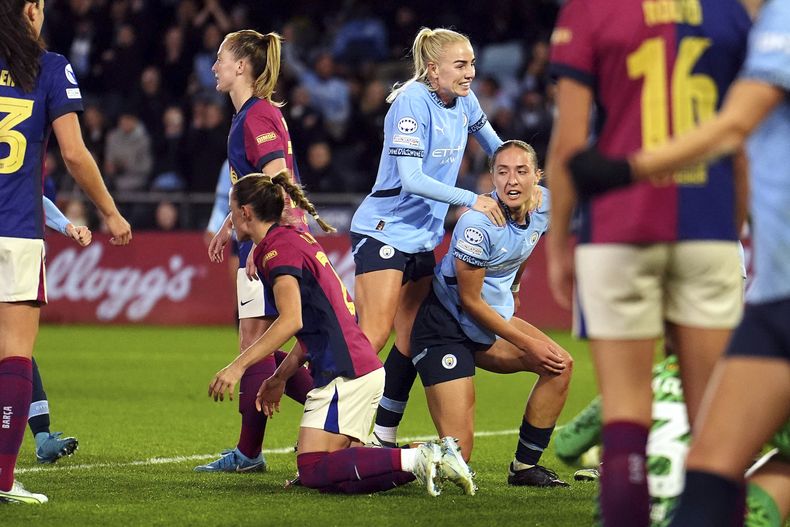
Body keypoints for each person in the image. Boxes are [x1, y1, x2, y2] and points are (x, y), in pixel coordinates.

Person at [565, 1, 790, 524]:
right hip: (775, 298)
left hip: (772, 294)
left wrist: (627, 169)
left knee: (718, 464)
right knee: (714, 464)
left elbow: (735, 124)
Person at [207, 171, 476, 496]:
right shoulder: (291, 239)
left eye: (231, 209)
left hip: (346, 372)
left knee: (313, 469)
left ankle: (424, 456)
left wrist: (237, 366)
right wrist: (279, 378)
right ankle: (428, 455)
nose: (230, 219)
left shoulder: (276, 251)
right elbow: (310, 325)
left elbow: (290, 320)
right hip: (357, 366)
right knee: (331, 472)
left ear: (245, 213)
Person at [0, 0, 131, 505]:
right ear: (32, 11)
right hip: (14, 229)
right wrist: (110, 213)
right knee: (15, 353)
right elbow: (74, 153)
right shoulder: (49, 68)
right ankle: (4, 475)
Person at [348, 27, 505, 449]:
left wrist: (522, 174)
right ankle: (333, 430)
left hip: (420, 239)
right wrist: (473, 199)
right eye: (461, 64)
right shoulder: (411, 102)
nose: (470, 72)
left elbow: (498, 150)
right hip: (384, 230)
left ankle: (382, 433)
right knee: (373, 335)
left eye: (472, 62)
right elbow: (411, 179)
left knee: (411, 336)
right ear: (433, 70)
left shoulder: (464, 99)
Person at [409, 140, 572, 487]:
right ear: (491, 179)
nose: (512, 180)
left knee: (560, 366)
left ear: (537, 177)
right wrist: (529, 345)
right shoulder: (476, 225)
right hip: (446, 327)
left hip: (489, 321)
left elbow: (531, 238)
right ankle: (365, 456)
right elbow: (471, 302)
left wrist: (514, 287)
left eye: (521, 171)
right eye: (503, 172)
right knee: (459, 453)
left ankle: (524, 468)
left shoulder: (544, 204)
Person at [199, 29, 313, 473]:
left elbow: (280, 182)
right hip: (267, 238)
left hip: (274, 241)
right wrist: (230, 224)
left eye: (221, 59)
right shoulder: (253, 114)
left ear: (242, 66)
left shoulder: (255, 117)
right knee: (257, 342)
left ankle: (329, 402)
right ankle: (254, 448)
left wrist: (263, 242)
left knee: (256, 343)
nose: (215, 67)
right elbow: (257, 184)